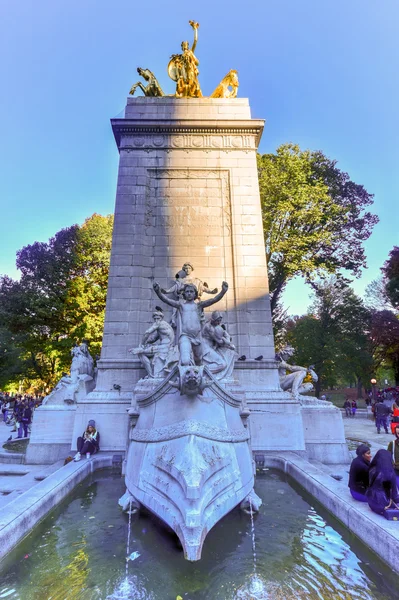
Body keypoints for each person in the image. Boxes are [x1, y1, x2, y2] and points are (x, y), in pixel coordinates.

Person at [153, 280, 228, 367]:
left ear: (195, 294)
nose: (189, 293)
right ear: (184, 294)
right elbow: (167, 300)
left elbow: (213, 300)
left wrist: (223, 291)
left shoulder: (199, 305)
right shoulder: (181, 305)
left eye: (191, 291)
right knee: (185, 361)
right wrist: (158, 291)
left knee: (199, 360)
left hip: (197, 337)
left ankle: (197, 377)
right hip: (185, 336)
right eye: (187, 292)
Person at [366, 449, 399, 515]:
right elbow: (394, 493)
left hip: (372, 502)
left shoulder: (372, 470)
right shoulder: (390, 473)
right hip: (385, 504)